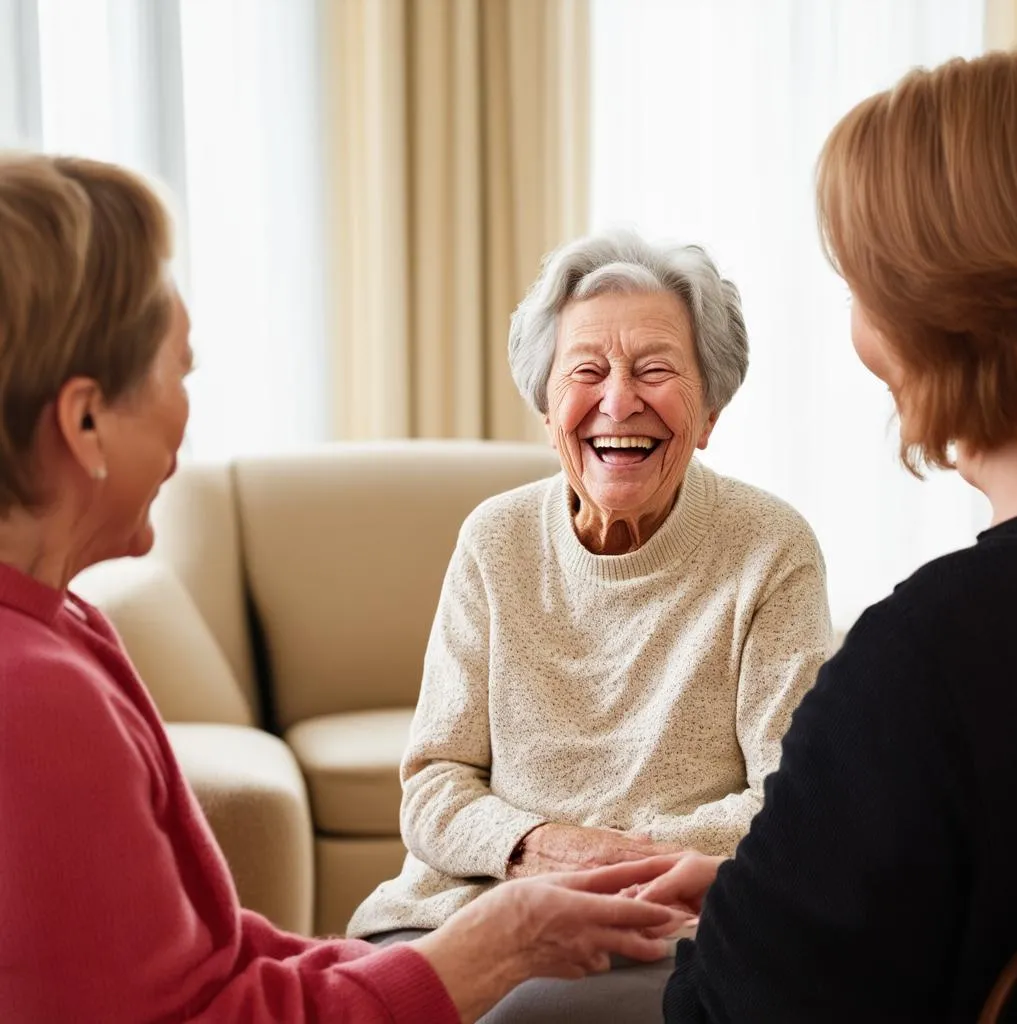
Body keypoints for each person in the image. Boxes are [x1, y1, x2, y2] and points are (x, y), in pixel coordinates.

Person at [0, 152, 693, 1024]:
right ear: (83, 420)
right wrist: (494, 940)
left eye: (657, 370)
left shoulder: (66, 629)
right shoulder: (31, 697)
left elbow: (208, 960)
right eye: (178, 374)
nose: (188, 411)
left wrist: (431, 955)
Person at [348, 230, 834, 1021]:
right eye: (586, 371)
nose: (618, 401)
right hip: (457, 914)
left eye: (654, 369)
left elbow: (794, 801)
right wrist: (543, 850)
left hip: (658, 928)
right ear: (547, 410)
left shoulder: (770, 549)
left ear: (709, 411)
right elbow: (434, 786)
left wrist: (614, 869)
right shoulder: (494, 540)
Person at [649, 50, 1017, 1023]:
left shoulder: (928, 659)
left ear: (929, 313)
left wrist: (756, 917)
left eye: (859, 283)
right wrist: (767, 890)